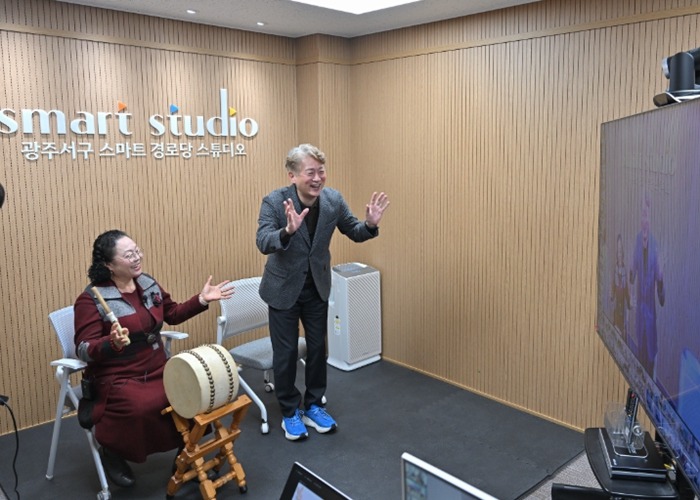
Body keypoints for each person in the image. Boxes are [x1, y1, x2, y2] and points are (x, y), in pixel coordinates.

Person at [73, 229, 233, 487]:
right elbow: (83, 348)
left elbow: (172, 313)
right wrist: (111, 343)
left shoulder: (147, 283)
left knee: (195, 394)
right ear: (108, 265)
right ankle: (112, 452)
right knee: (142, 407)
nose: (137, 258)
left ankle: (185, 454)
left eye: (137, 251)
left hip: (158, 366)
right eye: (129, 255)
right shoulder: (91, 299)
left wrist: (202, 300)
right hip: (118, 375)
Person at [256, 144, 390, 441]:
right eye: (310, 172)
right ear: (292, 175)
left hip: (316, 287)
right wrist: (287, 231)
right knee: (287, 353)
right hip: (282, 290)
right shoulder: (275, 202)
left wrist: (369, 225)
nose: (317, 178)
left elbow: (353, 230)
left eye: (321, 171)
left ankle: (314, 405)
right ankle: (290, 411)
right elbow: (263, 241)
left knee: (318, 349)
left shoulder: (332, 201)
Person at [629, 192, 665, 376]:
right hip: (639, 323)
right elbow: (631, 278)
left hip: (650, 325)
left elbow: (662, 299)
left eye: (647, 215)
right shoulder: (637, 241)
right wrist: (629, 269)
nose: (644, 220)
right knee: (638, 370)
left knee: (649, 371)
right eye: (642, 215)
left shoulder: (656, 246)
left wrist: (661, 278)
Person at [611, 233, 631, 341]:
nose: (619, 254)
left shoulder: (624, 270)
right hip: (616, 302)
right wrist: (612, 296)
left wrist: (629, 302)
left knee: (622, 322)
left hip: (622, 302)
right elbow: (613, 284)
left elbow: (626, 288)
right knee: (616, 320)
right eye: (618, 252)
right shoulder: (615, 269)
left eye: (621, 252)